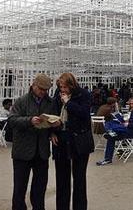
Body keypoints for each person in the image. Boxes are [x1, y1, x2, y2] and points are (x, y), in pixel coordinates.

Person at [7, 73, 57, 210]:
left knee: (40, 187)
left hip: (41, 151)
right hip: (22, 151)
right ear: (33, 85)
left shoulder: (50, 102)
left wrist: (53, 130)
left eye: (46, 90)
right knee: (19, 188)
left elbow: (53, 119)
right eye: (41, 89)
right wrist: (29, 121)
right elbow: (11, 120)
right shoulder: (21, 101)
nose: (43, 92)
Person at [51, 72, 94, 210]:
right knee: (62, 179)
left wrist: (68, 103)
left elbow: (84, 115)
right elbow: (53, 112)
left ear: (71, 85)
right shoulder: (57, 95)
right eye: (60, 87)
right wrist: (52, 131)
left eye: (64, 87)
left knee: (79, 179)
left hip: (79, 141)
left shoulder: (83, 95)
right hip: (62, 141)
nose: (62, 90)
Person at [96, 95, 133, 166]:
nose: (131, 105)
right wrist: (124, 121)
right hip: (125, 130)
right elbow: (130, 122)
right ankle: (107, 158)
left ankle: (109, 134)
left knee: (112, 131)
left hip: (132, 132)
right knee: (110, 131)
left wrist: (128, 124)